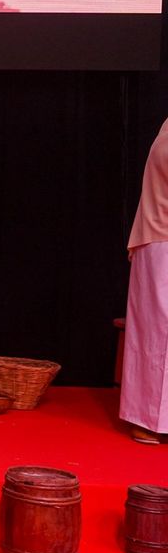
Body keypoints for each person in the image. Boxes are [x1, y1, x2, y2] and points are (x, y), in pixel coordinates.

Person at [121, 117, 168, 444]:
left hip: (158, 239)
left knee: (156, 331)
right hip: (163, 239)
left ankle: (150, 419)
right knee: (159, 333)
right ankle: (150, 420)